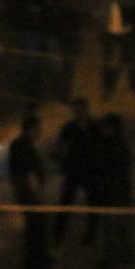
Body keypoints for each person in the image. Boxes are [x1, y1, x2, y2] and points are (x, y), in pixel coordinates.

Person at [52, 97, 99, 247]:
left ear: (85, 110)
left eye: (80, 109)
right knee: (66, 201)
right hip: (73, 169)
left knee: (93, 203)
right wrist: (61, 159)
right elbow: (61, 145)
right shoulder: (70, 127)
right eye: (76, 110)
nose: (78, 112)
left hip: (89, 171)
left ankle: (91, 234)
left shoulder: (93, 127)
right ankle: (58, 233)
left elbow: (100, 148)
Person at [9, 115, 50, 269]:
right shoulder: (24, 146)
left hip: (25, 191)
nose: (40, 132)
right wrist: (37, 195)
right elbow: (28, 173)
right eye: (38, 129)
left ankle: (35, 259)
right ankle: (36, 261)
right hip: (29, 193)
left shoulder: (20, 144)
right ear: (31, 129)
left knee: (33, 226)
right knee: (36, 227)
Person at [95, 113, 133, 268]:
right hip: (110, 193)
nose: (103, 130)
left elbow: (114, 170)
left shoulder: (116, 146)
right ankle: (113, 258)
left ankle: (123, 259)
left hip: (116, 194)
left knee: (119, 228)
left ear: (113, 128)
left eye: (106, 127)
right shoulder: (108, 144)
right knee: (110, 228)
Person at [100, 0, 135, 100]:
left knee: (122, 61)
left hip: (125, 31)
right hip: (108, 31)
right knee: (108, 61)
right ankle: (108, 88)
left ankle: (116, 86)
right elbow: (98, 6)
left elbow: (134, 6)